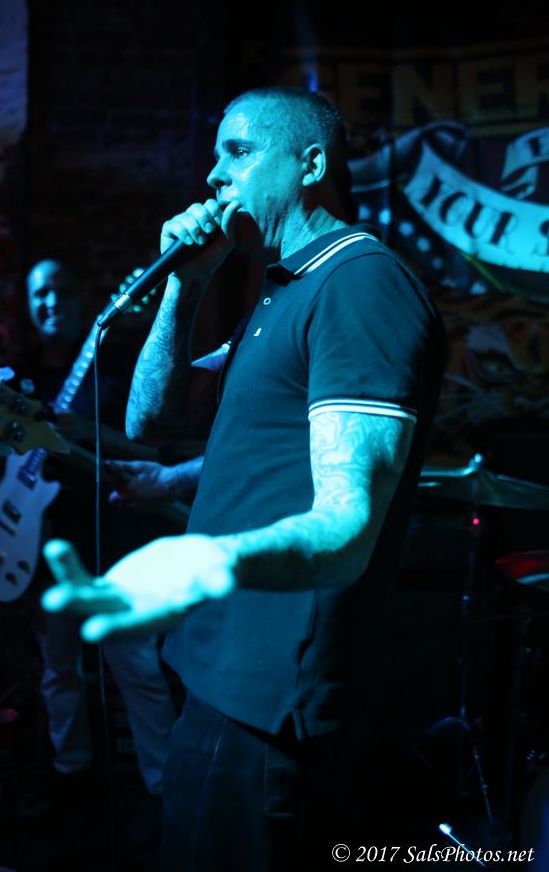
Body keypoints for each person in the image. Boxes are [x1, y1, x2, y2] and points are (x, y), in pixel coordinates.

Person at [42, 86, 446, 869]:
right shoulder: (284, 289)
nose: (213, 175)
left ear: (311, 164)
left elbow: (348, 523)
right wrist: (185, 283)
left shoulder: (360, 285)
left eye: (239, 151)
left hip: (268, 687)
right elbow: (150, 421)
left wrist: (204, 559)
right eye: (214, 155)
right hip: (220, 666)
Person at [14, 258, 178, 815]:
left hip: (114, 539)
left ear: (84, 298)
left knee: (136, 666)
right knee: (58, 668)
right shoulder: (21, 374)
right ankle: (70, 772)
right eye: (40, 294)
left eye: (62, 290)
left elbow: (156, 451)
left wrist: (89, 431)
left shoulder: (118, 364)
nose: (52, 303)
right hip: (43, 543)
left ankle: (164, 788)